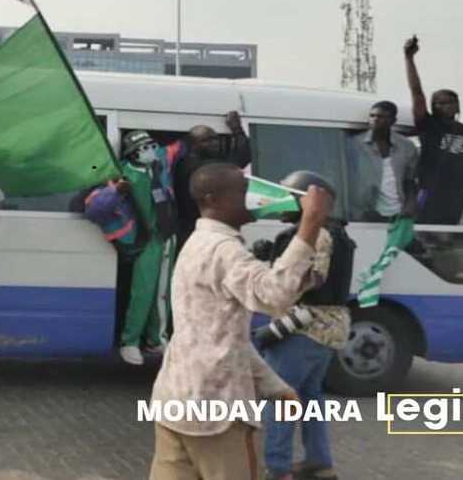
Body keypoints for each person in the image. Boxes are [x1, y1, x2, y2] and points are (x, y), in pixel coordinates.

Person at [149, 163, 331, 480]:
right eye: (244, 191)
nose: (255, 197)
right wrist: (311, 222)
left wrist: (276, 389)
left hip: (175, 401)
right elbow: (275, 296)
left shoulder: (197, 243)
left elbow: (226, 340)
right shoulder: (223, 250)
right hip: (214, 411)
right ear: (213, 199)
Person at [255, 171, 354, 480]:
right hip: (330, 327)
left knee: (280, 397)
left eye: (287, 196)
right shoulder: (338, 233)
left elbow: (315, 277)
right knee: (311, 397)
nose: (279, 203)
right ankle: (319, 462)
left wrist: (276, 278)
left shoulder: (318, 234)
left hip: (305, 328)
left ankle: (278, 468)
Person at [83, 131, 176, 365]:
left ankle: (156, 340)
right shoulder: (120, 175)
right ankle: (130, 341)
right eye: (145, 148)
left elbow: (177, 148)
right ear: (133, 153)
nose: (151, 150)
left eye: (152, 145)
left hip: (165, 237)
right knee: (142, 292)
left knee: (162, 293)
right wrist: (116, 191)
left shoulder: (157, 165)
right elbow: (94, 209)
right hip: (144, 241)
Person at [404, 36, 463, 224]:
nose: (439, 106)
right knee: (424, 233)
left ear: (456, 105)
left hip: (456, 194)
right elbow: (417, 93)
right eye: (436, 103)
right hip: (428, 191)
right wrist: (409, 59)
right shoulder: (429, 125)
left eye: (445, 102)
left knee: (447, 237)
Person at [171, 111, 252, 249]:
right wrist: (237, 129)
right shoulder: (195, 166)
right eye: (206, 140)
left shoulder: (189, 162)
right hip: (194, 229)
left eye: (215, 139)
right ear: (193, 145)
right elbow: (242, 157)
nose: (214, 143)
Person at [347, 100, 419, 222]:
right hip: (364, 215)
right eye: (372, 116)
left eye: (381, 117)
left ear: (393, 121)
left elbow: (410, 181)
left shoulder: (406, 146)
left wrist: (409, 207)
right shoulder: (354, 144)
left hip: (398, 214)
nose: (375, 119)